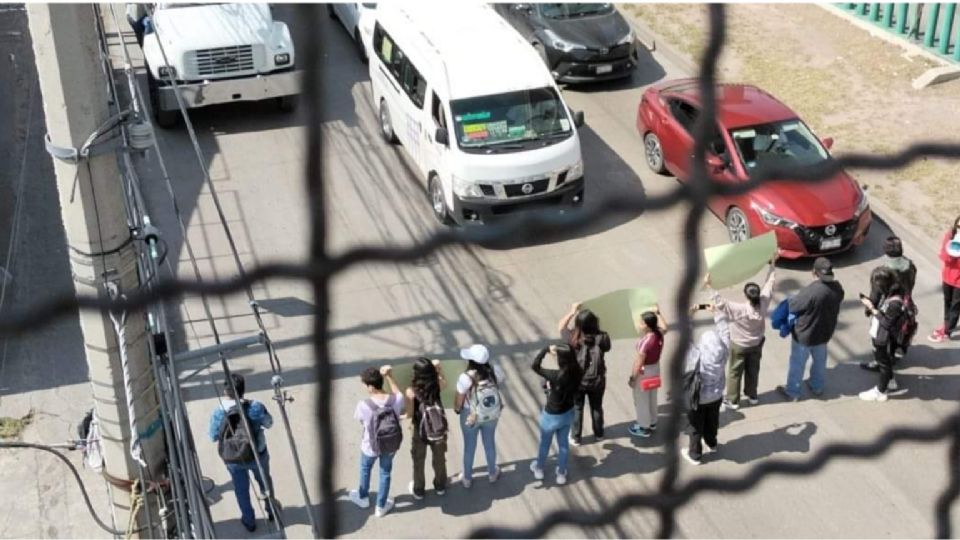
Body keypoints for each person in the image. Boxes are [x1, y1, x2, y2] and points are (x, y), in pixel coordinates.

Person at [207, 373, 278, 532]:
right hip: (257, 454)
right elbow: (269, 423)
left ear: (225, 392)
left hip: (233, 460)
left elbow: (212, 436)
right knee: (264, 482)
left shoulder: (218, 413)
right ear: (243, 390)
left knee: (241, 490)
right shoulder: (255, 406)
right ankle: (272, 511)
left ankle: (249, 521)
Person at [707, 259, 776, 410]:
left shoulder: (739, 309)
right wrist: (772, 265)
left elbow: (720, 303)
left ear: (746, 296)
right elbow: (769, 285)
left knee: (735, 372)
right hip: (756, 343)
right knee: (753, 369)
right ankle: (752, 396)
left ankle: (733, 400)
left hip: (738, 345)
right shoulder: (764, 303)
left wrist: (709, 286)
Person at [777, 257, 844, 401]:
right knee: (820, 362)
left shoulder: (812, 291)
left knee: (797, 364)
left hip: (804, 335)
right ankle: (817, 386)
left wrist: (791, 298)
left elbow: (794, 306)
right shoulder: (838, 289)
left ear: (815, 272)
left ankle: (792, 392)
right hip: (824, 333)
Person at [350, 366, 404, 518]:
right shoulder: (395, 400)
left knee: (365, 468)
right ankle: (381, 506)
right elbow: (398, 392)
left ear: (371, 387)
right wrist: (389, 376)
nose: (364, 387)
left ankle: (363, 497)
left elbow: (362, 421)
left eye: (365, 384)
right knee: (385, 472)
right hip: (390, 445)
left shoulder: (364, 405)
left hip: (370, 445)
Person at [681, 306, 732, 465]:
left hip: (697, 398)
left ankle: (695, 454)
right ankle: (712, 443)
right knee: (712, 421)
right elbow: (725, 334)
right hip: (716, 396)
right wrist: (717, 313)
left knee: (695, 426)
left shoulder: (695, 356)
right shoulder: (723, 353)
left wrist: (689, 315)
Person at [558, 303, 611, 446]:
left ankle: (576, 437)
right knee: (597, 406)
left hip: (577, 381)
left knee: (577, 407)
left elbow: (561, 326)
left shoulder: (572, 338)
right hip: (597, 380)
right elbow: (607, 348)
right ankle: (599, 433)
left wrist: (572, 311)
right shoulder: (603, 337)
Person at [531, 343, 583, 485]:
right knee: (563, 445)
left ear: (561, 359)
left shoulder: (555, 375)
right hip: (567, 414)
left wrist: (545, 350)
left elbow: (535, 366)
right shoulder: (578, 372)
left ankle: (539, 469)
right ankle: (561, 474)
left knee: (544, 444)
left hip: (550, 416)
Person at [454, 344, 505, 488]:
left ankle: (467, 478)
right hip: (491, 413)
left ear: (470, 361)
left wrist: (457, 409)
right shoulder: (495, 370)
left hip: (470, 415)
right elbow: (500, 382)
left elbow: (459, 398)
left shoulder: (465, 377)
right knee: (489, 443)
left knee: (469, 446)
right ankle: (492, 473)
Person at [862, 236, 917, 368]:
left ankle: (880, 362)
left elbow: (875, 294)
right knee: (901, 330)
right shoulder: (910, 265)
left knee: (881, 335)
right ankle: (897, 350)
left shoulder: (883, 271)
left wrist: (870, 308)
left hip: (888, 306)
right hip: (906, 303)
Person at [858, 267, 906, 402]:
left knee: (883, 363)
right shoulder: (894, 291)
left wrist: (872, 309)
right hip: (885, 335)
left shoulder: (895, 303)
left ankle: (880, 391)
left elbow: (886, 322)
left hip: (884, 336)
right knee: (885, 360)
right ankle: (890, 380)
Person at [404, 358, 448, 499]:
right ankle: (440, 486)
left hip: (420, 430)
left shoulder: (411, 392)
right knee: (439, 459)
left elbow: (410, 414)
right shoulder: (438, 384)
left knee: (418, 460)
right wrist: (438, 369)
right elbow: (444, 381)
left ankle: (419, 490)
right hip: (438, 428)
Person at [628, 306, 668, 438]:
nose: (639, 324)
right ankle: (652, 422)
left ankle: (643, 427)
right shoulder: (659, 334)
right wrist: (658, 313)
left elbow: (639, 362)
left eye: (641, 322)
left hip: (644, 372)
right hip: (655, 369)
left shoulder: (645, 342)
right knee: (652, 397)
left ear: (647, 325)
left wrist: (633, 378)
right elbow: (665, 327)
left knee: (641, 400)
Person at [928, 215, 960, 343]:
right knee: (947, 303)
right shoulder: (950, 235)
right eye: (958, 226)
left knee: (955, 306)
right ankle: (946, 325)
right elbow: (943, 254)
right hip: (947, 277)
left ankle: (947, 332)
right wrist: (950, 255)